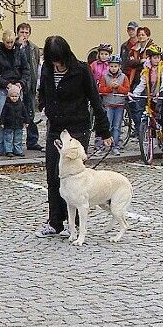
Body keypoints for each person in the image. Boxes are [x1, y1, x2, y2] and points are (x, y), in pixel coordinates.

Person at [36, 36, 112, 237]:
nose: (57, 66)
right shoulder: (47, 69)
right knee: (54, 176)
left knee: (76, 177)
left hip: (77, 128)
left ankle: (76, 223)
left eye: (59, 61)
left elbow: (95, 100)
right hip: (56, 128)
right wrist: (43, 105)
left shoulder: (81, 70)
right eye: (54, 62)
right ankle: (55, 222)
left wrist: (104, 131)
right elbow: (42, 91)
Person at [0, 30, 30, 156]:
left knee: (17, 117)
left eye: (11, 42)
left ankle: (15, 147)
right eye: (7, 42)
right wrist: (5, 84)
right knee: (3, 116)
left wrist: (21, 83)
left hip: (17, 87)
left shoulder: (19, 52)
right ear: (3, 41)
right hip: (3, 88)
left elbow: (26, 70)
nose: (10, 45)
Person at [16, 22, 43, 151]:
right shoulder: (13, 46)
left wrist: (35, 84)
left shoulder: (34, 48)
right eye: (22, 32)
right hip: (17, 84)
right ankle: (15, 142)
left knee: (30, 113)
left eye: (26, 32)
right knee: (16, 113)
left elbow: (36, 65)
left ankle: (32, 140)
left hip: (30, 84)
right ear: (17, 33)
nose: (24, 35)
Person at [97, 54, 130, 156]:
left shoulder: (124, 77)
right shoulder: (105, 77)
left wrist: (118, 87)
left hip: (119, 105)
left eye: (115, 66)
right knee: (108, 125)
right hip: (108, 104)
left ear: (119, 66)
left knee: (117, 127)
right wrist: (110, 87)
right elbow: (101, 90)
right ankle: (104, 144)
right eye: (111, 66)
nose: (113, 68)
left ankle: (115, 146)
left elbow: (126, 90)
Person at [131, 44, 163, 133]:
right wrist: (135, 94)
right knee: (151, 115)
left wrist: (161, 93)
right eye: (155, 58)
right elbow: (142, 83)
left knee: (162, 117)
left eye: (158, 57)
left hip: (161, 95)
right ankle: (151, 134)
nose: (157, 60)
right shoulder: (147, 69)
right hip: (151, 96)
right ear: (150, 58)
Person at [0, 84, 29, 158]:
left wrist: (26, 121)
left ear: (18, 96)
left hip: (19, 124)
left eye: (16, 96)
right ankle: (8, 151)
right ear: (9, 96)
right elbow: (3, 114)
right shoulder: (7, 105)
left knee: (18, 138)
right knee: (8, 138)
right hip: (8, 124)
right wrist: (2, 122)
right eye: (12, 96)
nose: (14, 98)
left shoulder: (21, 104)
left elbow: (25, 113)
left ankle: (18, 150)